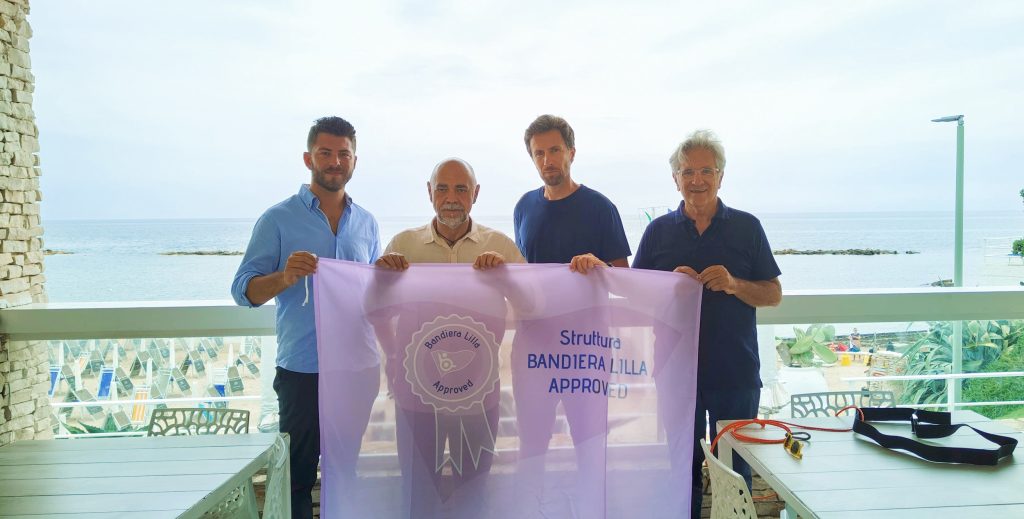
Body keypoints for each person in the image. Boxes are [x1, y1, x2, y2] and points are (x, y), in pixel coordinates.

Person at [231, 116, 381, 519]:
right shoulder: (277, 219)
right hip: (303, 370)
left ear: (354, 160)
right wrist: (284, 276)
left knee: (345, 470)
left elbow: (371, 292)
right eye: (326, 153)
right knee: (296, 476)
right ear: (308, 158)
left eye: (343, 154)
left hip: (357, 368)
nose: (335, 161)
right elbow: (242, 292)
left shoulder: (367, 222)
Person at [632, 129, 782, 518]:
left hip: (736, 372)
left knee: (736, 472)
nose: (696, 180)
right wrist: (669, 289)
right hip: (675, 373)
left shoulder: (747, 228)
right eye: (687, 172)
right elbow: (635, 296)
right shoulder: (657, 232)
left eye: (706, 171)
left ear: (720, 176)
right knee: (680, 472)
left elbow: (772, 294)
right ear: (675, 179)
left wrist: (734, 284)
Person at [373, 157, 524, 517]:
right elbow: (375, 310)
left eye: (460, 189)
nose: (451, 197)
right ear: (429, 193)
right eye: (442, 188)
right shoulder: (403, 246)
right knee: (417, 488)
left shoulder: (500, 246)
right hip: (415, 393)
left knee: (473, 488)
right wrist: (381, 283)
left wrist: (505, 278)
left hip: (477, 394)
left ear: (475, 194)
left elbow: (530, 306)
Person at [511, 114, 632, 517]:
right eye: (539, 153)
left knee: (589, 444)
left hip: (586, 350)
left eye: (555, 150)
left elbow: (624, 281)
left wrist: (599, 265)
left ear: (572, 153)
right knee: (532, 446)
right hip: (534, 349)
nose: (548, 160)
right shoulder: (523, 207)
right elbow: (524, 275)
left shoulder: (601, 208)